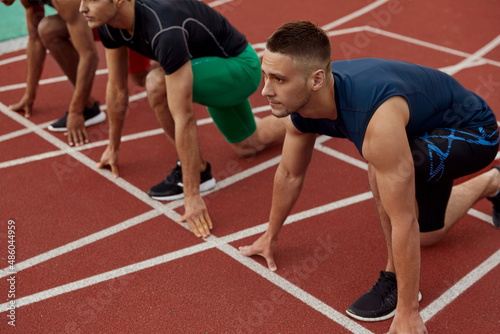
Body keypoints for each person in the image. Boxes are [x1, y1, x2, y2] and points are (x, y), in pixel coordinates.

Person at [238, 21, 500, 334]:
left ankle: (394, 282)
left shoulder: (374, 117)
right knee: (428, 236)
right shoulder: (299, 108)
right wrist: (270, 234)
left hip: (472, 131)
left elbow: (402, 219)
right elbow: (290, 174)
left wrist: (408, 312)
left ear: (317, 79)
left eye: (279, 79)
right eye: (266, 76)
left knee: (379, 170)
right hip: (418, 127)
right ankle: (494, 182)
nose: (266, 90)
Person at [79, 0, 286, 239]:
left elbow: (184, 117)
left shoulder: (164, 27)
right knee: (249, 143)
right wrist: (112, 148)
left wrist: (192, 196)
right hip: (210, 69)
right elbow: (116, 88)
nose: (82, 7)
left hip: (239, 67)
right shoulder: (109, 24)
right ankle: (308, 116)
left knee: (157, 83)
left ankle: (198, 172)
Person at [1, 0, 106, 146]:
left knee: (141, 79)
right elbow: (35, 40)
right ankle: (88, 106)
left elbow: (90, 56)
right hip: (89, 15)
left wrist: (76, 112)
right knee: (47, 29)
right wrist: (29, 95)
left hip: (123, 15)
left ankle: (84, 108)